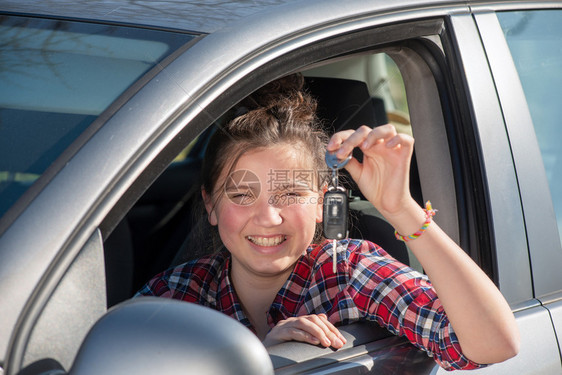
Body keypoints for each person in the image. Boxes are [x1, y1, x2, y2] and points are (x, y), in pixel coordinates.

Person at [135, 74, 519, 370]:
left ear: (321, 203)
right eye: (240, 195)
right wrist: (256, 357)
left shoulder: (348, 273)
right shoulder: (175, 295)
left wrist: (401, 208)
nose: (269, 217)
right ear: (211, 205)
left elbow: (492, 345)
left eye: (290, 194)